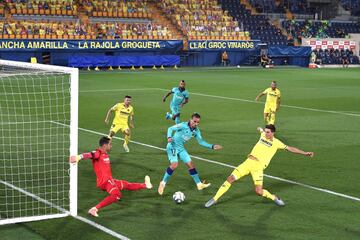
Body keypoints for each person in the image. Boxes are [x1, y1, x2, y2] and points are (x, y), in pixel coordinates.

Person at [205, 125, 314, 208]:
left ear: (273, 133)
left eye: (268, 132)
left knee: (258, 191)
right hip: (247, 163)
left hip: (258, 168)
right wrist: (260, 129)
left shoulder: (277, 143)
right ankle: (215, 198)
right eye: (265, 132)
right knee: (230, 178)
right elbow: (262, 131)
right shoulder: (262, 135)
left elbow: (290, 148)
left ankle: (274, 197)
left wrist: (305, 153)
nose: (266, 134)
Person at [69, 137, 152, 217]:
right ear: (105, 145)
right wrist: (79, 157)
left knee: (126, 184)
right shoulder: (98, 153)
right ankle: (94, 209)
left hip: (109, 180)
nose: (111, 146)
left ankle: (145, 185)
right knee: (117, 195)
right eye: (110, 144)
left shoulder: (105, 154)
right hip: (105, 181)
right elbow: (90, 154)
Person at [158, 113, 223, 195]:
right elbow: (170, 128)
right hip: (172, 146)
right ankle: (163, 183)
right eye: (194, 121)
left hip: (181, 148)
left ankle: (199, 184)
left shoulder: (196, 131)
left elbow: (201, 141)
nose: (196, 124)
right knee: (174, 164)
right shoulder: (183, 125)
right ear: (190, 119)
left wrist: (212, 146)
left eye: (198, 122)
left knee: (191, 164)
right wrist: (169, 137)